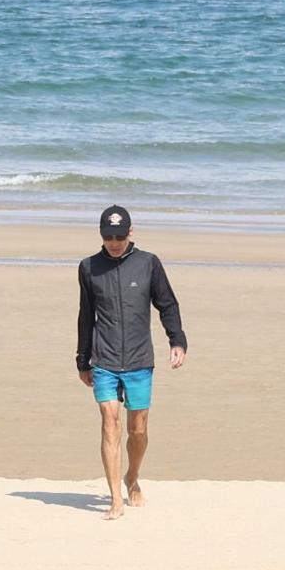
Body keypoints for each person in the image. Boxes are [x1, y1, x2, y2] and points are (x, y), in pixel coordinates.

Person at [76, 205, 187, 520]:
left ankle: (132, 477)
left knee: (137, 430)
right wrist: (82, 359)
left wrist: (177, 340)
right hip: (104, 359)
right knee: (109, 424)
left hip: (139, 359)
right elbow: (86, 317)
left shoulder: (148, 264)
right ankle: (115, 499)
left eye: (120, 236)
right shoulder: (88, 268)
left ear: (131, 232)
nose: (114, 242)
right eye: (109, 236)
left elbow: (167, 304)